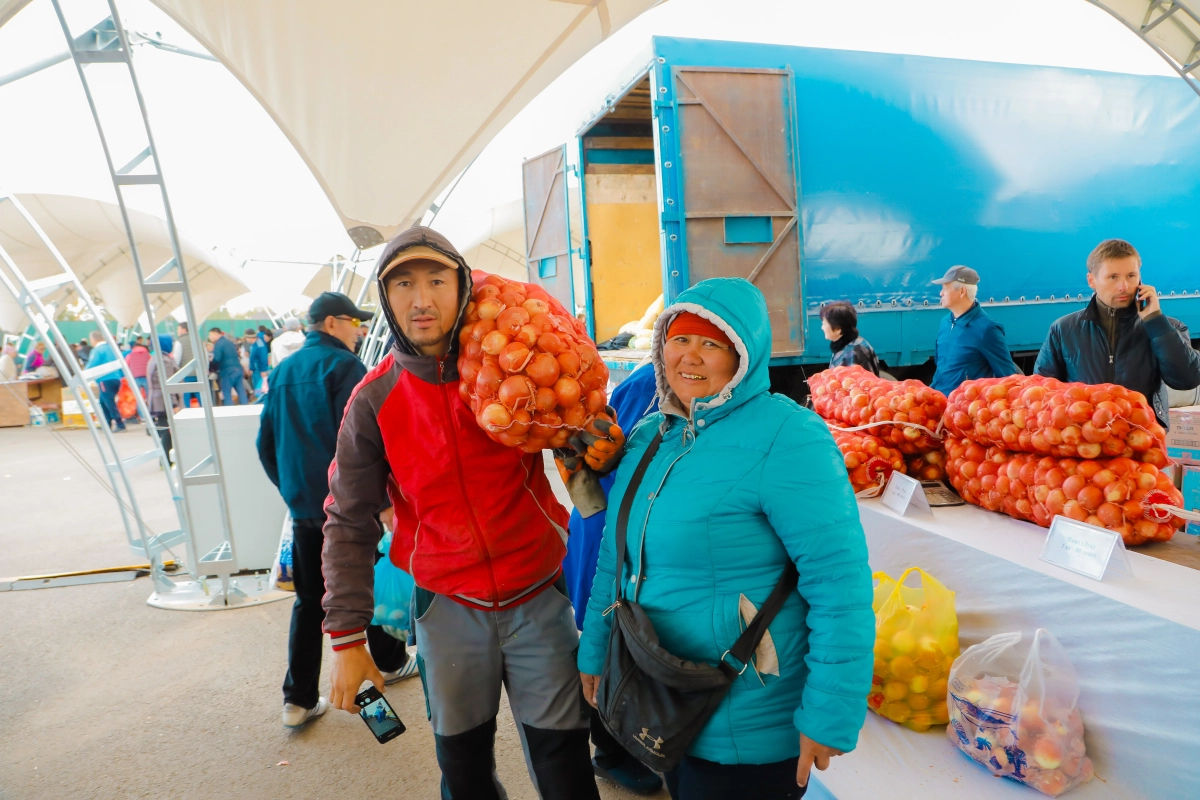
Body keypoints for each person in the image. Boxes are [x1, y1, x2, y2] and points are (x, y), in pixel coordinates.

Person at [321, 227, 609, 799]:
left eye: (435, 279)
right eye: (403, 283)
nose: (421, 298)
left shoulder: (508, 373)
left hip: (537, 592)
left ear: (462, 286)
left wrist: (596, 450)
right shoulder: (374, 400)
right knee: (465, 766)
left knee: (564, 761)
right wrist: (347, 640)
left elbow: (572, 447)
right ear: (385, 297)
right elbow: (347, 520)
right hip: (447, 605)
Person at [577, 278, 875, 800]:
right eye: (680, 339)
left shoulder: (789, 436)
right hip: (662, 695)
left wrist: (830, 711)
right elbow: (613, 559)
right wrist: (595, 652)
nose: (690, 356)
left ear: (743, 354)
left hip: (747, 713)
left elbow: (839, 584)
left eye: (712, 343)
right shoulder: (652, 435)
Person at [257, 290, 415, 729]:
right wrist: (384, 502)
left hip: (305, 507)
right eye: (353, 321)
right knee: (364, 586)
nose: (359, 329)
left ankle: (298, 699)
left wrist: (291, 491)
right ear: (330, 324)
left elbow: (264, 444)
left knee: (311, 600)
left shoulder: (283, 371)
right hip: (349, 505)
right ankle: (388, 661)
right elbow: (369, 442)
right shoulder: (345, 367)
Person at [562, 361, 663, 795]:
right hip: (608, 529)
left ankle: (627, 741)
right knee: (609, 642)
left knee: (629, 640)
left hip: (618, 528)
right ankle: (610, 750)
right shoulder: (651, 386)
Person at [1034, 239, 1200, 427]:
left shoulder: (1166, 327)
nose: (1124, 286)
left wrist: (1156, 322)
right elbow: (1042, 393)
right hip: (1084, 441)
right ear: (1092, 280)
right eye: (1113, 277)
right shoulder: (1063, 329)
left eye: (1131, 276)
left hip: (1143, 441)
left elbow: (1187, 380)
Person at [930, 265, 1020, 396]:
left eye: (945, 288)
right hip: (938, 402)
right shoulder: (945, 322)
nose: (941, 293)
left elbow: (1008, 378)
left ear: (962, 291)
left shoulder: (987, 329)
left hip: (964, 410)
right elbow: (940, 366)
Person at [819, 301, 880, 374]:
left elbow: (854, 383)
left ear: (838, 329)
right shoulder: (846, 344)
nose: (822, 328)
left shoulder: (853, 352)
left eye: (824, 324)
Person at [85, 330, 126, 432]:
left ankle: (120, 424)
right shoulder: (112, 348)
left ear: (93, 340)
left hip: (104, 379)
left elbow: (92, 364)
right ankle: (107, 423)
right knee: (103, 402)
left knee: (109, 402)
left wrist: (83, 375)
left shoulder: (97, 350)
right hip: (116, 378)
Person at [145, 340, 177, 461]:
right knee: (167, 433)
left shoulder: (154, 358)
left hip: (156, 400)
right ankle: (167, 460)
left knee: (164, 430)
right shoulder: (165, 361)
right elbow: (168, 384)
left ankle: (165, 460)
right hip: (164, 401)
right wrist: (173, 403)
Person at [207, 327, 248, 405]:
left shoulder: (218, 344)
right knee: (241, 391)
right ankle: (245, 408)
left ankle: (229, 411)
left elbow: (217, 359)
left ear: (215, 334)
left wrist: (212, 359)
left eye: (210, 335)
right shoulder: (229, 342)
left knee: (227, 393)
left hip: (227, 371)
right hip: (238, 369)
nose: (209, 337)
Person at [172, 322, 199, 408]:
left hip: (186, 373)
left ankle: (187, 414)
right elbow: (204, 355)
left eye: (178, 329)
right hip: (199, 372)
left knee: (185, 396)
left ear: (184, 330)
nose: (177, 331)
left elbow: (176, 359)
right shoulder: (197, 339)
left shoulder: (179, 341)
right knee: (201, 395)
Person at [247, 329, 270, 396]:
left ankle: (260, 399)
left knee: (260, 386)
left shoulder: (260, 345)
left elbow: (263, 358)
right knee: (257, 386)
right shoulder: (253, 345)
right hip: (255, 370)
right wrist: (251, 368)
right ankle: (258, 398)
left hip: (260, 370)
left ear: (249, 338)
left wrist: (263, 370)